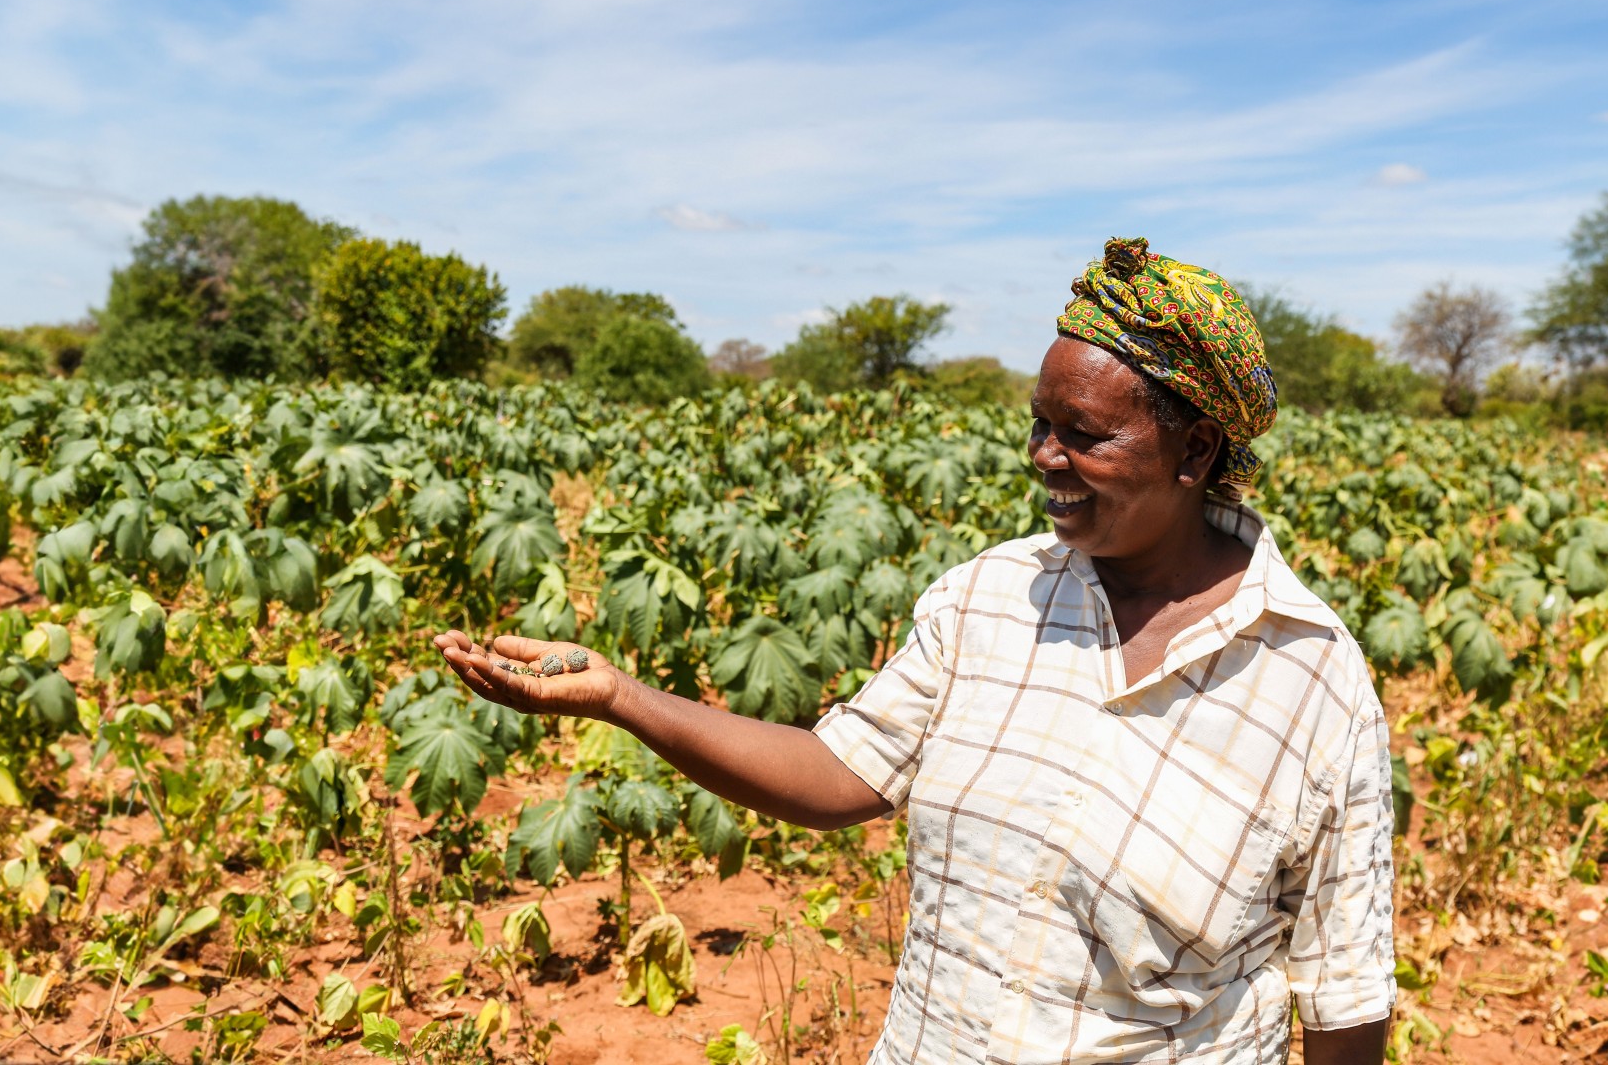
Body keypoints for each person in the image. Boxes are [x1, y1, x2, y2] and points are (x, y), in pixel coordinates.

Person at [436, 238, 1396, 1065]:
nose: (1043, 456)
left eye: (1085, 434)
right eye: (1039, 422)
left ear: (1193, 452)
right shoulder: (989, 596)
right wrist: (621, 697)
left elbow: (1346, 998)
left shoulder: (1310, 674)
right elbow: (840, 774)